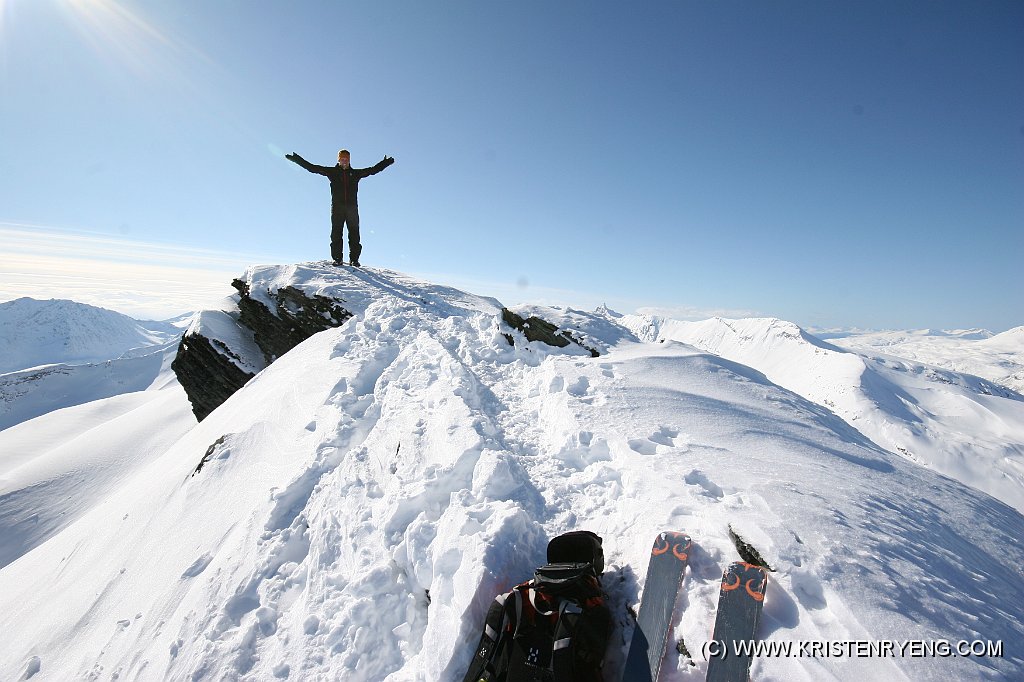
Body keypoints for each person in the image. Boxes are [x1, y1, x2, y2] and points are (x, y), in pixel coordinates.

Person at [286, 149, 395, 266]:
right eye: (342, 159)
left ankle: (354, 260)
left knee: (354, 234)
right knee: (336, 233)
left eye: (346, 159)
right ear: (338, 160)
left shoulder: (356, 174)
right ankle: (337, 259)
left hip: (352, 209)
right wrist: (297, 159)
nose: (344, 161)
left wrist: (385, 163)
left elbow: (372, 170)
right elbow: (312, 168)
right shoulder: (332, 172)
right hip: (337, 208)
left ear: (349, 161)